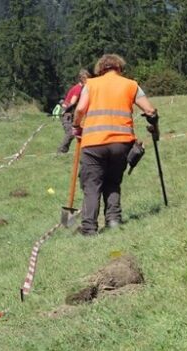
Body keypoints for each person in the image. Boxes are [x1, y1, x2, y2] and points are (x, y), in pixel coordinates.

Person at [72, 54, 158, 236]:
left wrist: (76, 125)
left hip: (94, 143)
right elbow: (149, 110)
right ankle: (113, 221)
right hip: (121, 143)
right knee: (113, 182)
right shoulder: (131, 85)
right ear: (119, 68)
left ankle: (89, 228)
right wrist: (153, 124)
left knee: (92, 185)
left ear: (100, 69)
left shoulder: (91, 84)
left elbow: (80, 109)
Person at [57, 69, 91, 154]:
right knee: (71, 133)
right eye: (87, 79)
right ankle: (61, 151)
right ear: (83, 79)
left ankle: (84, 150)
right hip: (67, 114)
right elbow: (72, 102)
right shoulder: (78, 89)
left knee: (78, 132)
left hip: (70, 114)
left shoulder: (79, 88)